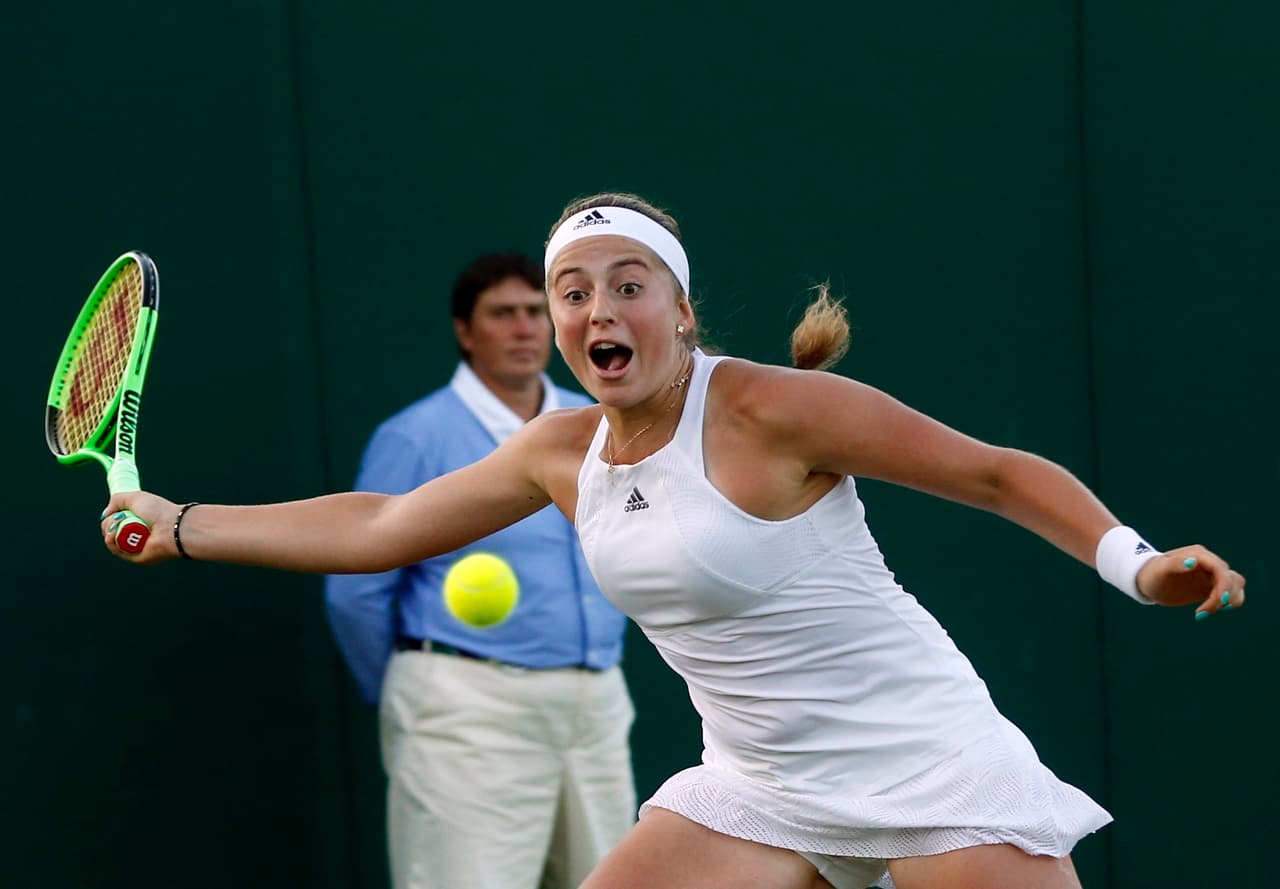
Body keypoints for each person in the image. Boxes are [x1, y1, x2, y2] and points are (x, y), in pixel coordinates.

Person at [101, 193, 1247, 889]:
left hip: (925, 764)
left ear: (680, 308)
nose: (598, 309)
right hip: (755, 784)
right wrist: (187, 525)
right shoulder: (560, 449)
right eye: (571, 292)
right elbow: (384, 526)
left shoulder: (767, 409)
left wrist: (1133, 564)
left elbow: (996, 475)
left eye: (628, 284)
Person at [322, 252, 636, 889]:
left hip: (597, 706)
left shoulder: (599, 425)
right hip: (464, 709)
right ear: (466, 332)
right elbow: (355, 592)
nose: (523, 329)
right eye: (502, 314)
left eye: (533, 312)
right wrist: (425, 692)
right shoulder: (416, 437)